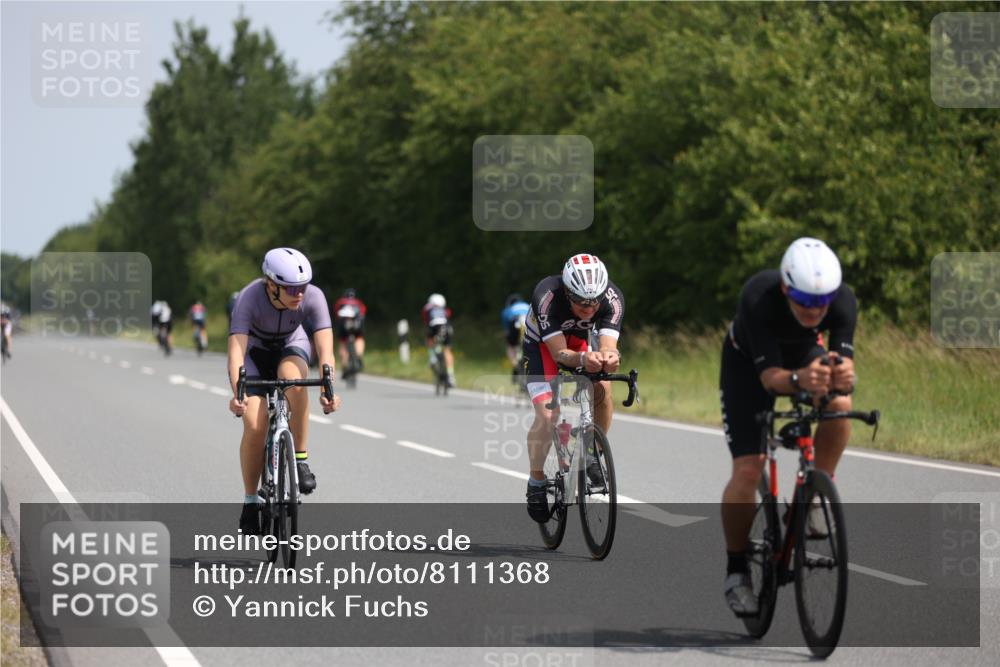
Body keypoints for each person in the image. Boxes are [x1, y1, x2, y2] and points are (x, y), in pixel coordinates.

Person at [720, 237, 856, 617]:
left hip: (801, 355)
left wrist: (843, 377)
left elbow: (842, 367)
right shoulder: (759, 297)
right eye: (804, 300)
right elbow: (770, 379)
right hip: (749, 365)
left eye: (822, 302)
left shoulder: (842, 300)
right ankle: (736, 571)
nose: (815, 310)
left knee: (842, 405)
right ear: (785, 287)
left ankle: (815, 490)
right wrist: (800, 381)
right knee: (748, 469)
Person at [228, 248, 341, 535]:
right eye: (291, 288)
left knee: (294, 382)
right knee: (255, 426)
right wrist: (238, 394)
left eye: (302, 287)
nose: (299, 294)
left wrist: (328, 387)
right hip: (254, 355)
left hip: (292, 345)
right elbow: (236, 352)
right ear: (271, 285)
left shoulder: (313, 296)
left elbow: (326, 347)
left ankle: (300, 461)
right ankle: (250, 502)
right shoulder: (249, 297)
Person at [522, 253, 625, 522]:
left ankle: (593, 453)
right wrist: (582, 359)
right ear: (568, 293)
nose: (589, 309)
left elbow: (607, 345)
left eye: (594, 303)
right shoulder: (547, 295)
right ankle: (536, 482)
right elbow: (560, 355)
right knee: (547, 415)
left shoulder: (612, 299)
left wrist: (608, 357)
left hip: (579, 341)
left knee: (602, 384)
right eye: (581, 303)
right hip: (544, 346)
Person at [331, 288, 367, 378]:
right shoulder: (358, 302)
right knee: (359, 338)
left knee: (343, 343)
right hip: (357, 327)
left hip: (343, 327)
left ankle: (344, 365)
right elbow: (363, 313)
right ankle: (358, 357)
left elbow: (336, 313)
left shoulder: (340, 302)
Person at [422, 293, 455, 388]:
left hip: (433, 328)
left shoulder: (427, 308)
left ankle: (432, 357)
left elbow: (425, 321)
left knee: (429, 340)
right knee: (447, 350)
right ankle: (451, 375)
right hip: (446, 328)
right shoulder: (445, 310)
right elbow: (448, 317)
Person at [501, 293, 531, 371]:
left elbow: (506, 330)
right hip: (528, 323)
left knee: (510, 346)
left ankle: (515, 363)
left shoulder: (507, 309)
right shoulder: (526, 305)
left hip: (514, 322)